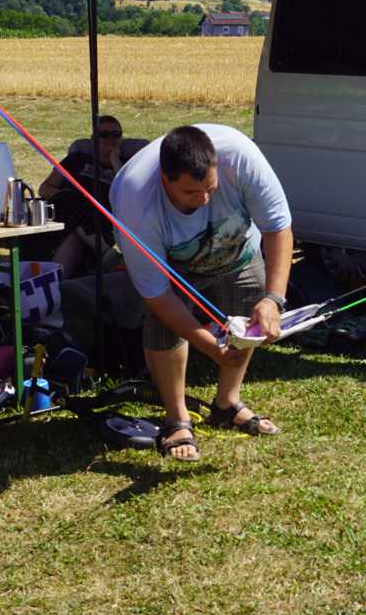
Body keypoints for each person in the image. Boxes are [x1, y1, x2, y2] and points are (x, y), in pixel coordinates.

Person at [109, 123, 294, 461]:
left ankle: (227, 403)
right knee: (164, 328)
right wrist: (211, 347)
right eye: (192, 193)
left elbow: (278, 227)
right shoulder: (135, 202)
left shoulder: (241, 160)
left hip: (238, 250)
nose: (205, 199)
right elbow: (158, 296)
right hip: (174, 266)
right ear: (165, 180)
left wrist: (272, 300)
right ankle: (177, 419)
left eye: (210, 188)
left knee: (248, 306)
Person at [37, 114, 144, 275]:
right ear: (94, 139)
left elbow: (131, 196)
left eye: (116, 135)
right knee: (75, 199)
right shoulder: (77, 159)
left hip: (101, 220)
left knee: (75, 235)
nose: (110, 139)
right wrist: (69, 198)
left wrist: (116, 163)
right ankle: (106, 253)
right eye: (104, 135)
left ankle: (55, 290)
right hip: (63, 211)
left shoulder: (126, 166)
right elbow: (45, 188)